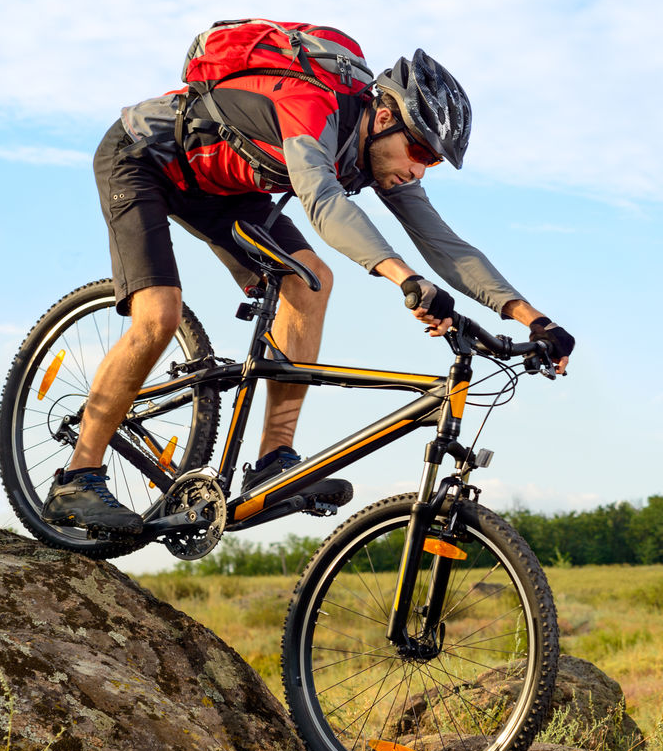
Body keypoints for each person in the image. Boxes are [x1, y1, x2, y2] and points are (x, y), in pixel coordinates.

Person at [43, 41, 575, 535]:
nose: (420, 169)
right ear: (385, 117)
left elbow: (444, 244)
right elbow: (323, 202)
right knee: (159, 314)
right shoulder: (311, 105)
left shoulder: (385, 158)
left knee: (310, 285)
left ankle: (274, 465)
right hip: (145, 159)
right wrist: (405, 280)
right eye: (421, 151)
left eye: (433, 161)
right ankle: (77, 477)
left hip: (226, 188)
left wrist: (535, 320)